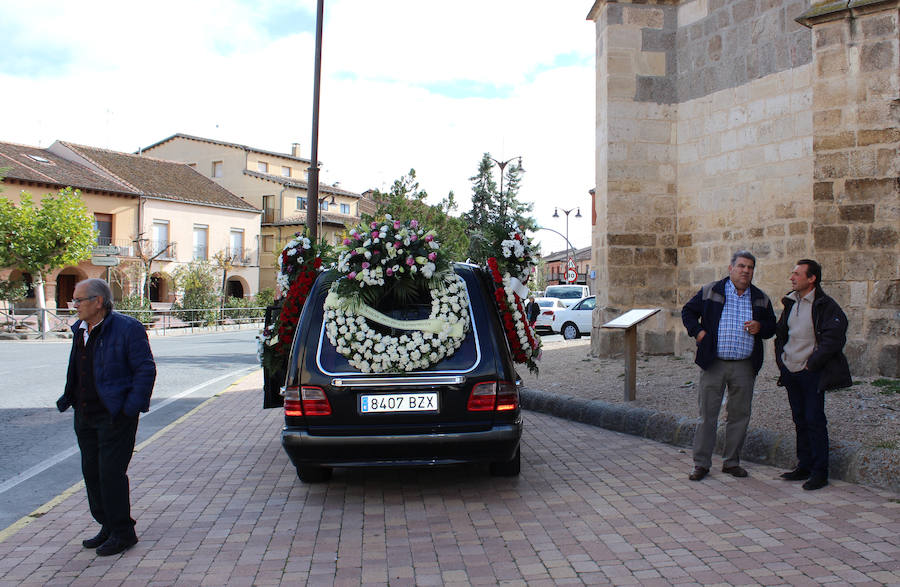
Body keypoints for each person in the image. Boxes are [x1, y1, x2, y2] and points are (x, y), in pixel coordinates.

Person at [56, 278, 156, 556]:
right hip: (85, 414)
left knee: (110, 474)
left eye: (78, 300)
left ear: (98, 302)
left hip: (115, 415)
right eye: (73, 300)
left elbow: (145, 370)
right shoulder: (81, 329)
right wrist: (71, 398)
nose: (73, 305)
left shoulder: (128, 328)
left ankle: (124, 532)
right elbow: (78, 367)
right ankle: (108, 525)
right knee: (92, 473)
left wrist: (129, 409)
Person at [681, 250, 776, 481]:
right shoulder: (711, 291)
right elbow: (688, 312)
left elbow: (772, 326)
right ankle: (701, 464)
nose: (746, 271)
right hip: (714, 363)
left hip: (744, 365)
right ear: (731, 268)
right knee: (707, 416)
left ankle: (731, 462)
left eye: (750, 267)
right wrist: (700, 333)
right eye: (741, 266)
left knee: (739, 415)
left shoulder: (760, 297)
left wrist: (760, 327)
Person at [774, 259, 851, 491]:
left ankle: (820, 472)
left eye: (797, 274)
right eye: (792, 273)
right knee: (799, 420)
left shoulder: (825, 305)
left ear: (812, 278)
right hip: (791, 371)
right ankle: (804, 466)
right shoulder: (790, 302)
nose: (792, 277)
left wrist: (812, 364)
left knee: (814, 421)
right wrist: (782, 362)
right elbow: (781, 334)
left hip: (811, 373)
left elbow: (834, 338)